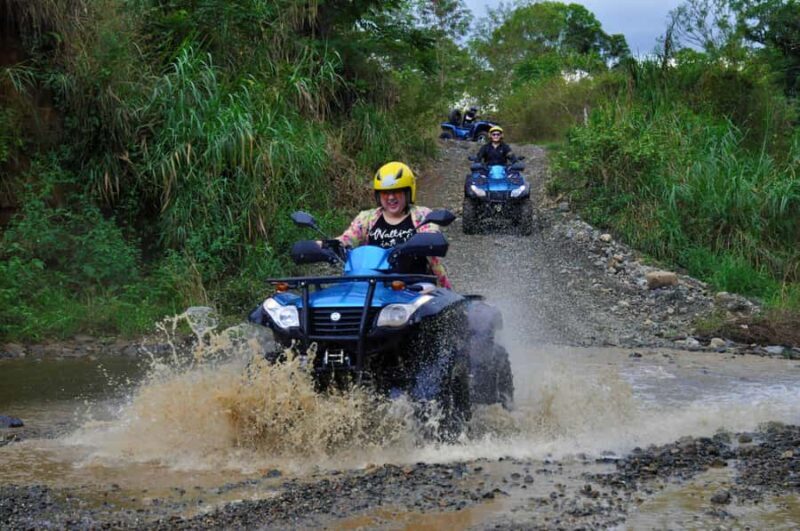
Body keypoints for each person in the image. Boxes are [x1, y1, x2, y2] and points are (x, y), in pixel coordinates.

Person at [335, 161, 452, 289]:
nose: (390, 197)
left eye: (396, 191)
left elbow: (432, 235)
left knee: (427, 292)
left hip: (415, 285)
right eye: (385, 193)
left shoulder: (422, 215)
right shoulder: (367, 218)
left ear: (408, 192)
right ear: (378, 195)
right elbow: (347, 238)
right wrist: (326, 246)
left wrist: (426, 241)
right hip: (373, 285)